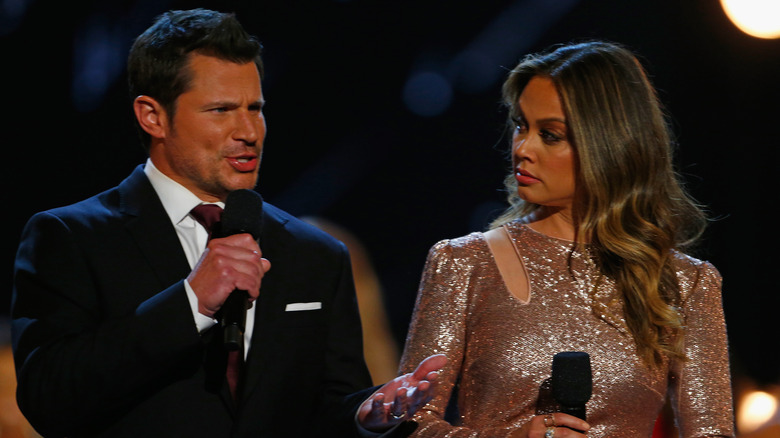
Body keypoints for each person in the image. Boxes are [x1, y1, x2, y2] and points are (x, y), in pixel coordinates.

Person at [11, 8, 445, 438]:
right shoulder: (71, 238)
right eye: (220, 110)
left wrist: (367, 415)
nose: (248, 131)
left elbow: (329, 406)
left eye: (255, 108)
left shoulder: (315, 253)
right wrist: (190, 303)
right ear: (152, 116)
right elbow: (49, 401)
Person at [397, 40, 734, 437]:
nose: (522, 148)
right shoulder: (463, 262)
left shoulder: (685, 284)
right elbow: (409, 424)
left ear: (610, 144)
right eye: (521, 125)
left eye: (550, 135)